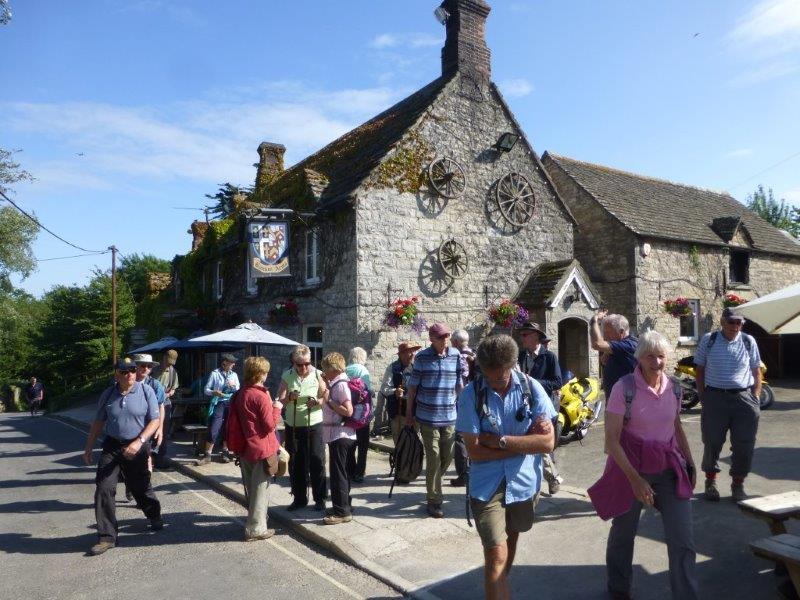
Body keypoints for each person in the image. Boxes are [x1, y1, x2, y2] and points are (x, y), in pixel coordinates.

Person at [589, 330, 698, 600]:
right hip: (631, 469)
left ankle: (686, 595)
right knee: (624, 535)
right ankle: (619, 589)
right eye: (651, 356)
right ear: (640, 357)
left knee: (683, 539)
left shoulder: (674, 386)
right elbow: (612, 441)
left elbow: (676, 426)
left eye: (661, 356)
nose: (657, 362)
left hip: (669, 468)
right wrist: (636, 480)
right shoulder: (623, 388)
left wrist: (690, 462)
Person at [456, 334, 556, 600]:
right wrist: (524, 444)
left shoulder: (531, 388)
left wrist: (499, 441)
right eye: (490, 375)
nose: (496, 380)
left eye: (501, 375)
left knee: (510, 543)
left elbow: (547, 443)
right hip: (486, 487)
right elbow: (475, 451)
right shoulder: (471, 395)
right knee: (496, 553)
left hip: (524, 484)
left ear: (512, 364)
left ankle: (497, 588)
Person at [82, 357, 163, 556]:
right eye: (125, 371)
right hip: (112, 445)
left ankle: (154, 515)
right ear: (116, 374)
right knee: (104, 487)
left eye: (133, 371)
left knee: (140, 487)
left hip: (138, 443)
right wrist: (89, 447)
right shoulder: (108, 394)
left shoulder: (146, 391)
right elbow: (99, 422)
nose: (130, 375)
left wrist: (139, 442)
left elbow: (154, 421)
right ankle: (107, 537)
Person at [695, 307, 762, 502]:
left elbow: (757, 371)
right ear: (722, 322)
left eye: (739, 322)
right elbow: (699, 369)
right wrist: (703, 397)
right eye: (731, 322)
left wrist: (755, 398)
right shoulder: (709, 340)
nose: (735, 326)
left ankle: (737, 484)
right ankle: (710, 482)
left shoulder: (749, 341)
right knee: (712, 442)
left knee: (744, 444)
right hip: (715, 397)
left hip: (744, 400)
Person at [405, 322, 464, 518]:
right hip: (427, 417)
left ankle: (434, 484)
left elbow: (460, 385)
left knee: (447, 456)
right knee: (433, 457)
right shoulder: (422, 357)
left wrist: (464, 410)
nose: (445, 339)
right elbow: (412, 388)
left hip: (450, 416)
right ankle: (434, 500)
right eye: (440, 337)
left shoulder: (455, 355)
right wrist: (409, 414)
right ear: (431, 338)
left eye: (447, 336)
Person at [231, 356, 282, 541]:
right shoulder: (259, 395)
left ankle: (258, 521)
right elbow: (269, 425)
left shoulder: (241, 392)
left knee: (252, 490)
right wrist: (277, 407)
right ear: (260, 374)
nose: (267, 374)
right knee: (261, 491)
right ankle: (256, 529)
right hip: (262, 448)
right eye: (266, 371)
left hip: (245, 447)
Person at [277, 344, 327, 511]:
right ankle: (299, 498)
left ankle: (320, 499)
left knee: (317, 460)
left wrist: (318, 402)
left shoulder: (318, 374)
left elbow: (326, 395)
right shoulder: (287, 375)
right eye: (300, 364)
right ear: (293, 362)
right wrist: (290, 397)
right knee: (296, 463)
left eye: (307, 363)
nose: (304, 367)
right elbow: (280, 399)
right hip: (293, 425)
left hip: (314, 424)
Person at [516, 321, 563, 495]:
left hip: (543, 406)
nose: (522, 338)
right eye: (522, 335)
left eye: (525, 335)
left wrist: (532, 382)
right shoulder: (520, 356)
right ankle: (545, 478)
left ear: (536, 337)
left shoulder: (549, 357)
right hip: (524, 406)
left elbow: (557, 382)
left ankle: (552, 477)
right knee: (531, 442)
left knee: (542, 442)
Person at [320, 352, 356, 525]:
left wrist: (328, 400)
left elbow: (348, 411)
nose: (323, 371)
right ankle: (343, 506)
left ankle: (342, 513)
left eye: (325, 368)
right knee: (342, 472)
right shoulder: (338, 382)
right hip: (342, 434)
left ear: (333, 368)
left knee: (338, 474)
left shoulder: (340, 385)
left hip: (340, 436)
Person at [197, 353, 240, 465]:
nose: (233, 364)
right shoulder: (215, 374)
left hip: (230, 402)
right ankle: (207, 455)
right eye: (231, 362)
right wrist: (214, 392)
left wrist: (233, 387)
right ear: (224, 363)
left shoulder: (234, 375)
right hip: (218, 403)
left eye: (234, 362)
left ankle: (225, 452)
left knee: (227, 427)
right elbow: (206, 389)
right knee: (214, 428)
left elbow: (238, 390)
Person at [379, 341, 421, 446]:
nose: (412, 354)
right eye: (409, 352)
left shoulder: (417, 367)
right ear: (401, 354)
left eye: (413, 352)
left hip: (415, 412)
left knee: (414, 444)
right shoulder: (392, 368)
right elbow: (384, 388)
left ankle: (413, 462)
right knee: (400, 444)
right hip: (398, 413)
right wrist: (395, 391)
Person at [591, 310, 638, 397]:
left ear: (621, 332)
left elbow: (597, 344)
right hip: (614, 399)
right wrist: (607, 352)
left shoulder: (629, 345)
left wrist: (594, 321)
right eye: (604, 333)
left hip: (625, 401)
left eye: (608, 333)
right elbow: (604, 361)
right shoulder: (618, 345)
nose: (604, 337)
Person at [450, 329, 475, 487]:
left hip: (463, 402)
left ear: (456, 343)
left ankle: (464, 474)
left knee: (460, 438)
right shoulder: (475, 356)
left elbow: (459, 383)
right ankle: (475, 471)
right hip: (478, 401)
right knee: (474, 435)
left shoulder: (458, 357)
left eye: (452, 341)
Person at [345, 347, 372, 484]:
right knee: (363, 445)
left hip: (348, 412)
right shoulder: (363, 370)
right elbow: (369, 390)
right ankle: (360, 473)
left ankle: (350, 470)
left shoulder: (345, 369)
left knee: (350, 443)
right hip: (362, 415)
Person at [152, 349, 180, 468]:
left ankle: (160, 458)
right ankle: (148, 456)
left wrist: (167, 394)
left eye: (171, 363)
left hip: (165, 403)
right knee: (150, 429)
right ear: (163, 357)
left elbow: (173, 389)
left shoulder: (173, 372)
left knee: (163, 430)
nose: (169, 365)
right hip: (150, 402)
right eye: (168, 361)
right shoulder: (153, 369)